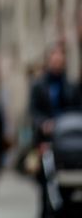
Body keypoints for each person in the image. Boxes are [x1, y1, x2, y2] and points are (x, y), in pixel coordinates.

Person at [29, 43, 81, 218]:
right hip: (46, 141)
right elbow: (33, 112)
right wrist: (44, 124)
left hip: (67, 142)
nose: (58, 63)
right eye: (55, 59)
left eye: (60, 60)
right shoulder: (39, 86)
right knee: (46, 188)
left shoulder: (71, 86)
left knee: (65, 191)